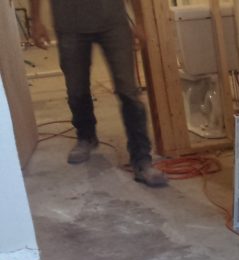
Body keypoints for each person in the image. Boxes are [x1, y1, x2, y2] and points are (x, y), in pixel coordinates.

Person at [29, 0, 167, 187]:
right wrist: (36, 20)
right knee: (76, 89)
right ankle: (86, 136)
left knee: (128, 91)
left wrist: (140, 22)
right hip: (70, 25)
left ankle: (142, 160)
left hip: (113, 23)